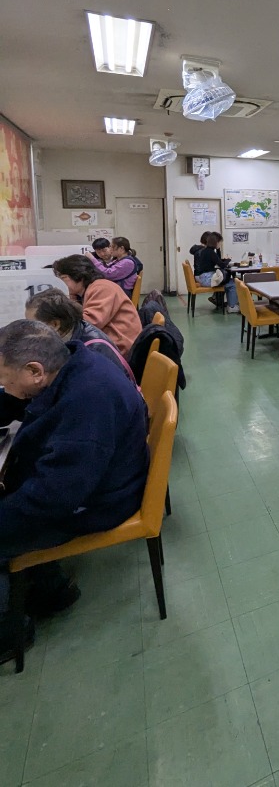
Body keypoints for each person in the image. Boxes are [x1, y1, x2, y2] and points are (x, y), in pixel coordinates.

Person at [0, 321, 149, 663]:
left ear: (35, 370)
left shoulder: (87, 402)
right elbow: (23, 402)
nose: (6, 387)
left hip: (103, 501)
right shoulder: (74, 362)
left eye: (7, 380)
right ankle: (52, 589)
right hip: (98, 480)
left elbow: (54, 499)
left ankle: (9, 632)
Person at [52, 255, 141, 356]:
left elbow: (91, 322)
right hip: (110, 344)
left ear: (79, 276)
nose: (61, 283)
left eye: (63, 278)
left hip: (119, 349)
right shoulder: (86, 291)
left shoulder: (102, 288)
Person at [25, 288, 130, 374]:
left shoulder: (90, 350)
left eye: (34, 324)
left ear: (55, 324)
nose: (30, 330)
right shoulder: (75, 330)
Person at [194, 232, 238, 312]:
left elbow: (218, 260)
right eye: (220, 243)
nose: (220, 245)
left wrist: (218, 250)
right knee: (232, 283)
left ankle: (229, 303)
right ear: (216, 242)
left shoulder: (205, 251)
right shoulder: (211, 252)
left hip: (203, 277)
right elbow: (222, 265)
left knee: (229, 281)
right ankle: (232, 307)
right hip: (206, 279)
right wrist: (228, 260)